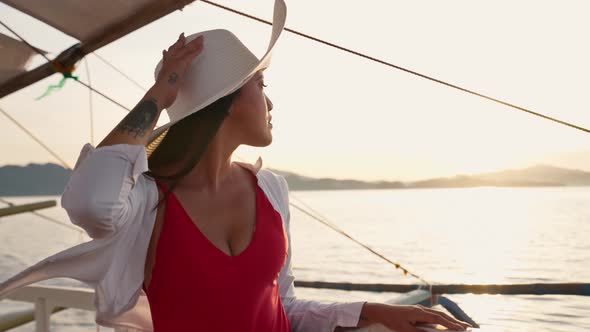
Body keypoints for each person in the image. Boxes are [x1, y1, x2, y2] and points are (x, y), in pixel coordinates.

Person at [0, 1, 473, 331]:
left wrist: (373, 311)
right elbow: (88, 202)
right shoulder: (147, 200)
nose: (271, 101)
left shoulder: (271, 190)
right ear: (225, 103)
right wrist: (161, 93)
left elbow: (281, 307)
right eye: (260, 84)